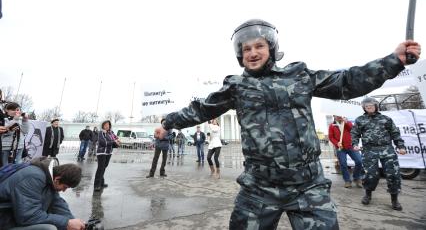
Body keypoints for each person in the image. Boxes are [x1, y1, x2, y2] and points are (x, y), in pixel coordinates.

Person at [156, 19, 421, 230]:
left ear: (271, 48)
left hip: (308, 187)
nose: (252, 53)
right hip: (259, 188)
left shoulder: (300, 75)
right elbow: (201, 108)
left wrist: (394, 60)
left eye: (259, 46)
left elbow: (348, 81)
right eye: (246, 49)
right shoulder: (237, 87)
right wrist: (168, 123)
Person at [351, 97, 407, 211]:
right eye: (366, 106)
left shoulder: (386, 119)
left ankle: (394, 199)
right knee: (370, 174)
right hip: (369, 150)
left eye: (370, 105)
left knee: (393, 174)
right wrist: (355, 144)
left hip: (387, 149)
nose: (368, 107)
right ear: (363, 107)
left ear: (376, 106)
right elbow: (354, 133)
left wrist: (401, 146)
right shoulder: (360, 120)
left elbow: (395, 133)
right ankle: (368, 194)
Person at [0, 157, 85, 230]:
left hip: (11, 216)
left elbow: (58, 204)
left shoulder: (49, 177)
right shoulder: (33, 178)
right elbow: (28, 216)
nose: (63, 190)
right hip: (4, 219)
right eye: (65, 187)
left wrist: (73, 221)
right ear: (57, 179)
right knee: (49, 229)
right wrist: (67, 223)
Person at [328, 115, 363, 188]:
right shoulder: (332, 126)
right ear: (334, 116)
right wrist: (337, 143)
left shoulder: (347, 123)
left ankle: (356, 178)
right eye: (337, 116)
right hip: (340, 148)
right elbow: (331, 137)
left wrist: (346, 122)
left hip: (350, 146)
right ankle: (347, 180)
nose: (339, 117)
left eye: (340, 115)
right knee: (343, 164)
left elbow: (353, 130)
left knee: (359, 161)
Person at [1, 102, 29, 166]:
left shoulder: (20, 119)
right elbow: (7, 131)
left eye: (18, 110)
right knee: (5, 167)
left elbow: (25, 131)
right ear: (6, 110)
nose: (16, 112)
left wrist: (25, 120)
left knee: (18, 165)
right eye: (13, 110)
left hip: (19, 146)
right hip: (6, 147)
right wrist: (15, 119)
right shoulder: (4, 119)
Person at [94, 120, 119, 191]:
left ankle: (101, 182)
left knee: (104, 167)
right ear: (102, 126)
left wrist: (117, 142)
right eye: (105, 125)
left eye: (108, 125)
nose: (107, 126)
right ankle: (96, 185)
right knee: (100, 168)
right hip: (102, 153)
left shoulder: (111, 132)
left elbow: (116, 139)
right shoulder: (101, 132)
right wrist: (114, 142)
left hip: (108, 152)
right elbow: (103, 142)